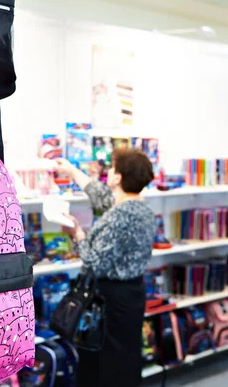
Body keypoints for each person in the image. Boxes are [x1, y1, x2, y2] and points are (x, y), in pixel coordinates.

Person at [55, 148, 155, 387]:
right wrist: (72, 171)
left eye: (112, 168)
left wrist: (77, 234)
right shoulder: (139, 207)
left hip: (111, 301)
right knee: (126, 358)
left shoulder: (119, 216)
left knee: (105, 363)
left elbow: (93, 261)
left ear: (118, 177)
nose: (107, 172)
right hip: (132, 295)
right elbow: (101, 196)